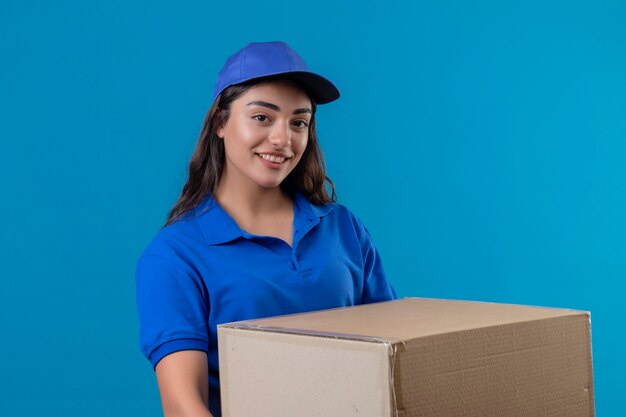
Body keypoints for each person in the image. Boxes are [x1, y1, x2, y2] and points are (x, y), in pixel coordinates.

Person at [135, 41, 398, 417]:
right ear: (220, 123)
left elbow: (391, 354)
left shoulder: (344, 229)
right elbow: (183, 406)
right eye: (262, 117)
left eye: (299, 122)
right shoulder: (175, 255)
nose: (282, 139)